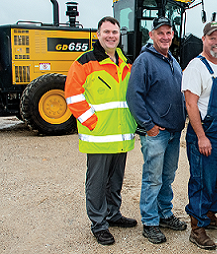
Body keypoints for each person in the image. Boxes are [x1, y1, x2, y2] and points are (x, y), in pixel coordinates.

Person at [65, 16, 137, 246]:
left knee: (115, 180)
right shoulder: (84, 62)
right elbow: (73, 96)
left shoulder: (125, 63)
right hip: (98, 136)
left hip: (121, 134)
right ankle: (99, 224)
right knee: (96, 183)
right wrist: (92, 122)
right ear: (98, 35)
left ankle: (113, 214)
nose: (111, 36)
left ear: (119, 35)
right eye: (106, 32)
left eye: (114, 32)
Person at [126, 16, 187, 244]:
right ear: (152, 35)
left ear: (172, 35)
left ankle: (165, 214)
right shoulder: (144, 61)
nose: (165, 36)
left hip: (173, 132)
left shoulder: (173, 61)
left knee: (167, 177)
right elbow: (134, 96)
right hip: (157, 133)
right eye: (160, 33)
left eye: (168, 33)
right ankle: (150, 222)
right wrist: (148, 125)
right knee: (152, 178)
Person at [182, 21, 217, 250]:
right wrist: (201, 136)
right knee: (202, 181)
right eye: (212, 38)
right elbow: (191, 104)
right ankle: (197, 227)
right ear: (203, 40)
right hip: (206, 134)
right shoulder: (196, 67)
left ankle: (211, 215)